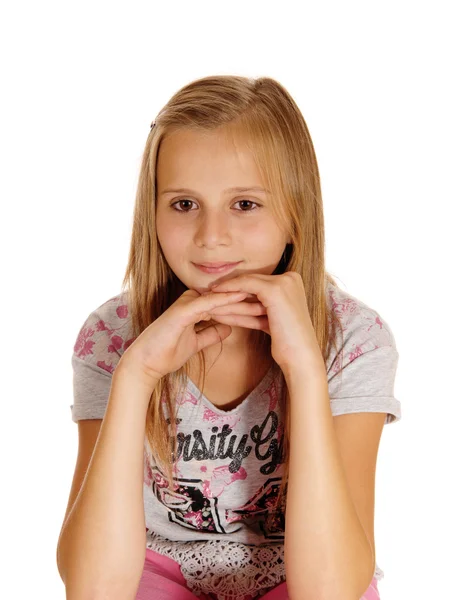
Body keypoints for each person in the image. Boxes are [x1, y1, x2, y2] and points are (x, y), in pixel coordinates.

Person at [56, 75, 401, 600]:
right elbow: (93, 588)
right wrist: (137, 374)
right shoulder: (112, 336)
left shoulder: (353, 339)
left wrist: (305, 368)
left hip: (300, 571)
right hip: (155, 571)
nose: (211, 236)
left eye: (244, 204)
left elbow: (331, 590)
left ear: (296, 215)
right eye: (183, 204)